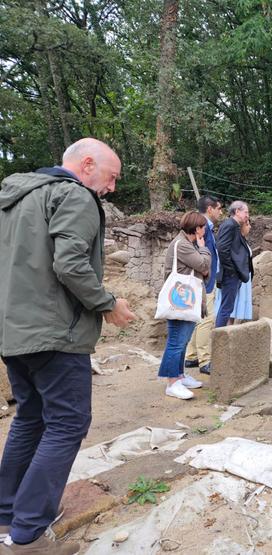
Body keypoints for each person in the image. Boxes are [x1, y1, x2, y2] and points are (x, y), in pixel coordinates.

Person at [0, 138, 136, 554]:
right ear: (88, 164)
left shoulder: (12, 199)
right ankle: (29, 527)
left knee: (30, 417)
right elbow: (70, 264)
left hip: (13, 332)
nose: (111, 188)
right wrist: (107, 304)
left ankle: (6, 510)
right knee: (68, 424)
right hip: (56, 334)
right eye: (111, 177)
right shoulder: (73, 196)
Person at [157, 211, 211, 400]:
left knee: (182, 340)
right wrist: (204, 249)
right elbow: (204, 265)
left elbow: (203, 269)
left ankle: (179, 375)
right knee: (176, 342)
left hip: (184, 301)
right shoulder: (183, 245)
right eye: (203, 227)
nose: (205, 230)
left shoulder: (186, 244)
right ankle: (172, 383)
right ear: (196, 228)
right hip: (181, 301)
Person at [184, 196, 222, 375]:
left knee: (198, 319)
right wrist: (208, 274)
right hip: (204, 282)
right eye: (218, 208)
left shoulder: (206, 228)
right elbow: (201, 256)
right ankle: (205, 360)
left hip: (205, 280)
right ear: (209, 209)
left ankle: (191, 357)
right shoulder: (203, 228)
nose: (220, 212)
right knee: (207, 319)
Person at [214, 201, 253, 329]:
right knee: (226, 308)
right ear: (237, 211)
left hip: (233, 274)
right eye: (246, 212)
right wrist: (231, 270)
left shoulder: (234, 226)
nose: (247, 215)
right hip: (229, 275)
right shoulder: (229, 225)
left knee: (228, 308)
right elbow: (222, 249)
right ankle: (218, 339)